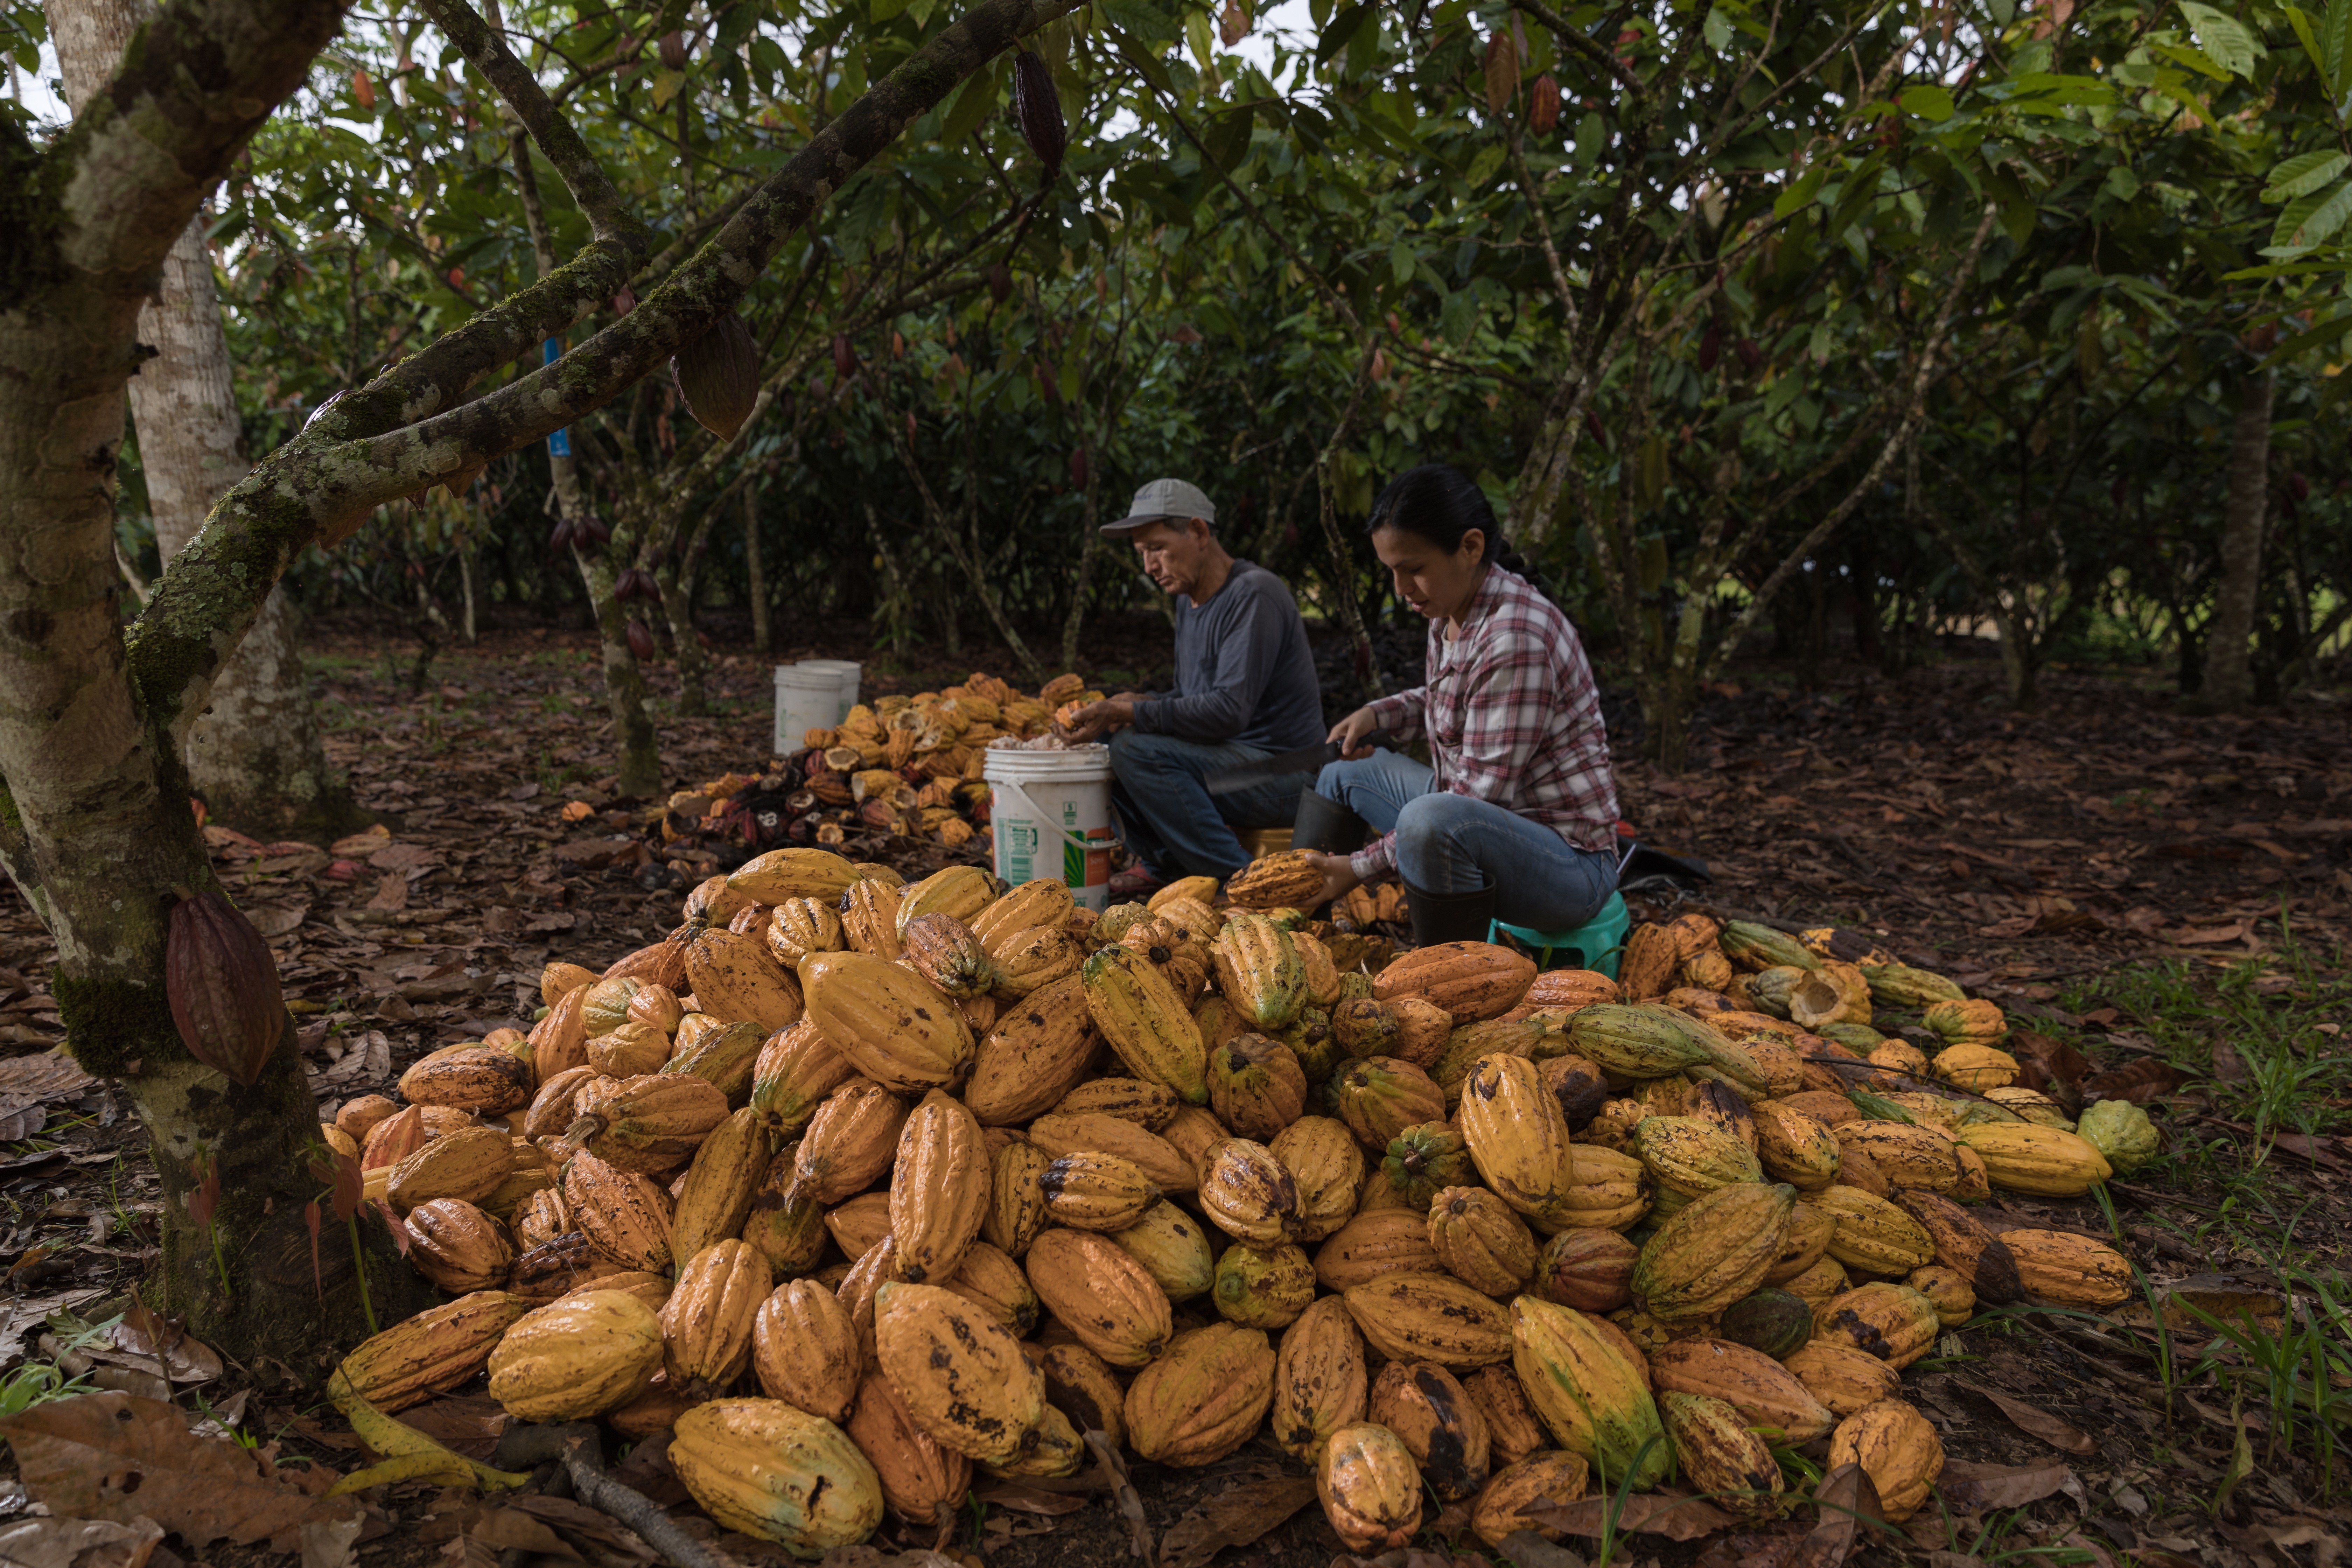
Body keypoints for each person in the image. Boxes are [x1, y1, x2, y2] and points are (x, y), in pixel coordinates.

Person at [1297, 464, 1620, 944]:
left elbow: (1473, 804)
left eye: (1414, 569)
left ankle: (1449, 985)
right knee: (1343, 772)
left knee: (1431, 823)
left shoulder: (1516, 638)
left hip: (1568, 869)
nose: (1401, 588)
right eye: (1392, 571)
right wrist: (1378, 715)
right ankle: (1296, 918)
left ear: (1471, 548)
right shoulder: (1452, 609)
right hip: (1486, 822)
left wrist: (1359, 867)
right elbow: (1454, 696)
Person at [1059, 478, 1325, 895]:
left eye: (1157, 548)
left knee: (1134, 748)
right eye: (1142, 553)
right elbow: (1192, 702)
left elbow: (1226, 712)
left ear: (1199, 532)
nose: (1150, 567)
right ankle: (1164, 865)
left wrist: (1131, 713)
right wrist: (1138, 703)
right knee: (1112, 739)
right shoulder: (1189, 600)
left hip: (1284, 774)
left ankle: (1237, 881)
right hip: (1233, 767)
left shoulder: (1254, 594)